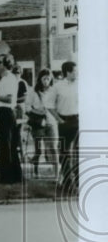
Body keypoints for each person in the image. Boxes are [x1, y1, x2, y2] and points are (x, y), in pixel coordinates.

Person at [48, 61, 79, 190]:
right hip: (64, 122)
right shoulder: (58, 86)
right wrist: (59, 120)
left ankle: (79, 182)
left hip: (77, 120)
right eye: (74, 71)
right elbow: (49, 105)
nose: (77, 73)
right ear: (68, 72)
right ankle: (68, 183)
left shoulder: (80, 85)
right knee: (65, 152)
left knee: (78, 152)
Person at [0, 55, 22, 184]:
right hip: (2, 112)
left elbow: (9, 99)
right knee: (7, 145)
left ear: (4, 65)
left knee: (7, 145)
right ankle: (13, 175)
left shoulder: (9, 79)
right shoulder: (4, 79)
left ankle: (8, 177)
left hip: (6, 113)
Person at [24, 69, 53, 176]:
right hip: (37, 123)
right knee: (39, 149)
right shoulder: (33, 92)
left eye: (48, 79)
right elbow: (27, 107)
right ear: (39, 79)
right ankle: (35, 171)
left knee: (52, 149)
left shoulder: (53, 91)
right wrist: (38, 112)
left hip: (50, 122)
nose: (46, 81)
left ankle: (56, 171)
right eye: (44, 78)